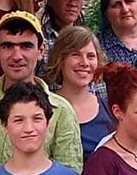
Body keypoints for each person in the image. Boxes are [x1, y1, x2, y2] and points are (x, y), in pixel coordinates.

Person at [0, 11, 84, 171]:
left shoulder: (61, 110)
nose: (17, 56)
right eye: (8, 46)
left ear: (41, 51)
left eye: (26, 46)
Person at [47, 26, 113, 159]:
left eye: (90, 56)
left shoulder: (111, 110)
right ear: (60, 60)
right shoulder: (45, 108)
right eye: (75, 55)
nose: (84, 63)